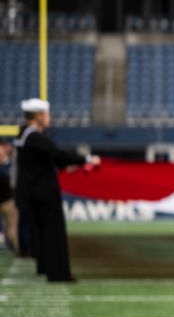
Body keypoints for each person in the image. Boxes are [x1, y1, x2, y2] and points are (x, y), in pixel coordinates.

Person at [13, 99, 100, 282]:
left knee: (41, 231)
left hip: (30, 191)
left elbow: (49, 158)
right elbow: (58, 154)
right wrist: (86, 159)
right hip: (44, 190)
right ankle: (58, 273)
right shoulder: (34, 136)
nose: (49, 118)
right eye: (47, 114)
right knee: (54, 232)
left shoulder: (22, 134)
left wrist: (66, 164)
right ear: (39, 115)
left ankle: (44, 266)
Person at [0, 140, 19, 255]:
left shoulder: (9, 165)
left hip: (8, 201)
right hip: (7, 200)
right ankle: (17, 248)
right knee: (11, 227)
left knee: (11, 228)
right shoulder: (7, 167)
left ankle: (17, 248)